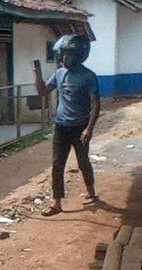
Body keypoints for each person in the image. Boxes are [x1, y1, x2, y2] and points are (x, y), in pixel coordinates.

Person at [34, 34, 100, 217]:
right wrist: (38, 72)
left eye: (68, 55)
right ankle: (57, 204)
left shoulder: (88, 76)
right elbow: (42, 91)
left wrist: (89, 129)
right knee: (57, 165)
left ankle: (91, 193)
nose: (63, 59)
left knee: (83, 162)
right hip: (61, 127)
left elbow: (96, 104)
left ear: (78, 55)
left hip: (80, 128)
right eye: (62, 55)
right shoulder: (59, 73)